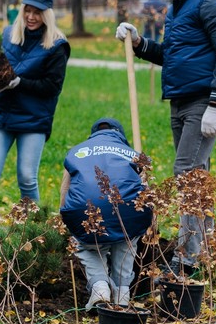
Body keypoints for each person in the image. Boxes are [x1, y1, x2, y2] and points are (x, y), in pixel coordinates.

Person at [116, 0, 216, 271]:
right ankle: (203, 249)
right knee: (198, 176)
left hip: (204, 100)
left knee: (186, 174)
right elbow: (173, 56)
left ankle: (186, 259)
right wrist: (139, 44)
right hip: (181, 100)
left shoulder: (213, 0)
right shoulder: (179, 7)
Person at [0, 0, 70, 209]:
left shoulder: (57, 45)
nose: (31, 17)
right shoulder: (8, 34)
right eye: (27, 10)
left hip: (33, 119)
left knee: (27, 177)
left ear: (47, 14)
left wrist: (20, 83)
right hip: (1, 115)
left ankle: (31, 231)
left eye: (37, 12)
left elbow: (52, 87)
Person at [60, 118, 152, 309]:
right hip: (127, 212)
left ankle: (100, 288)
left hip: (86, 210)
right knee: (125, 244)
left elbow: (65, 188)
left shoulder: (77, 152)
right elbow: (146, 191)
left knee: (89, 246)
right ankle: (122, 297)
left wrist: (66, 216)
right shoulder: (134, 154)